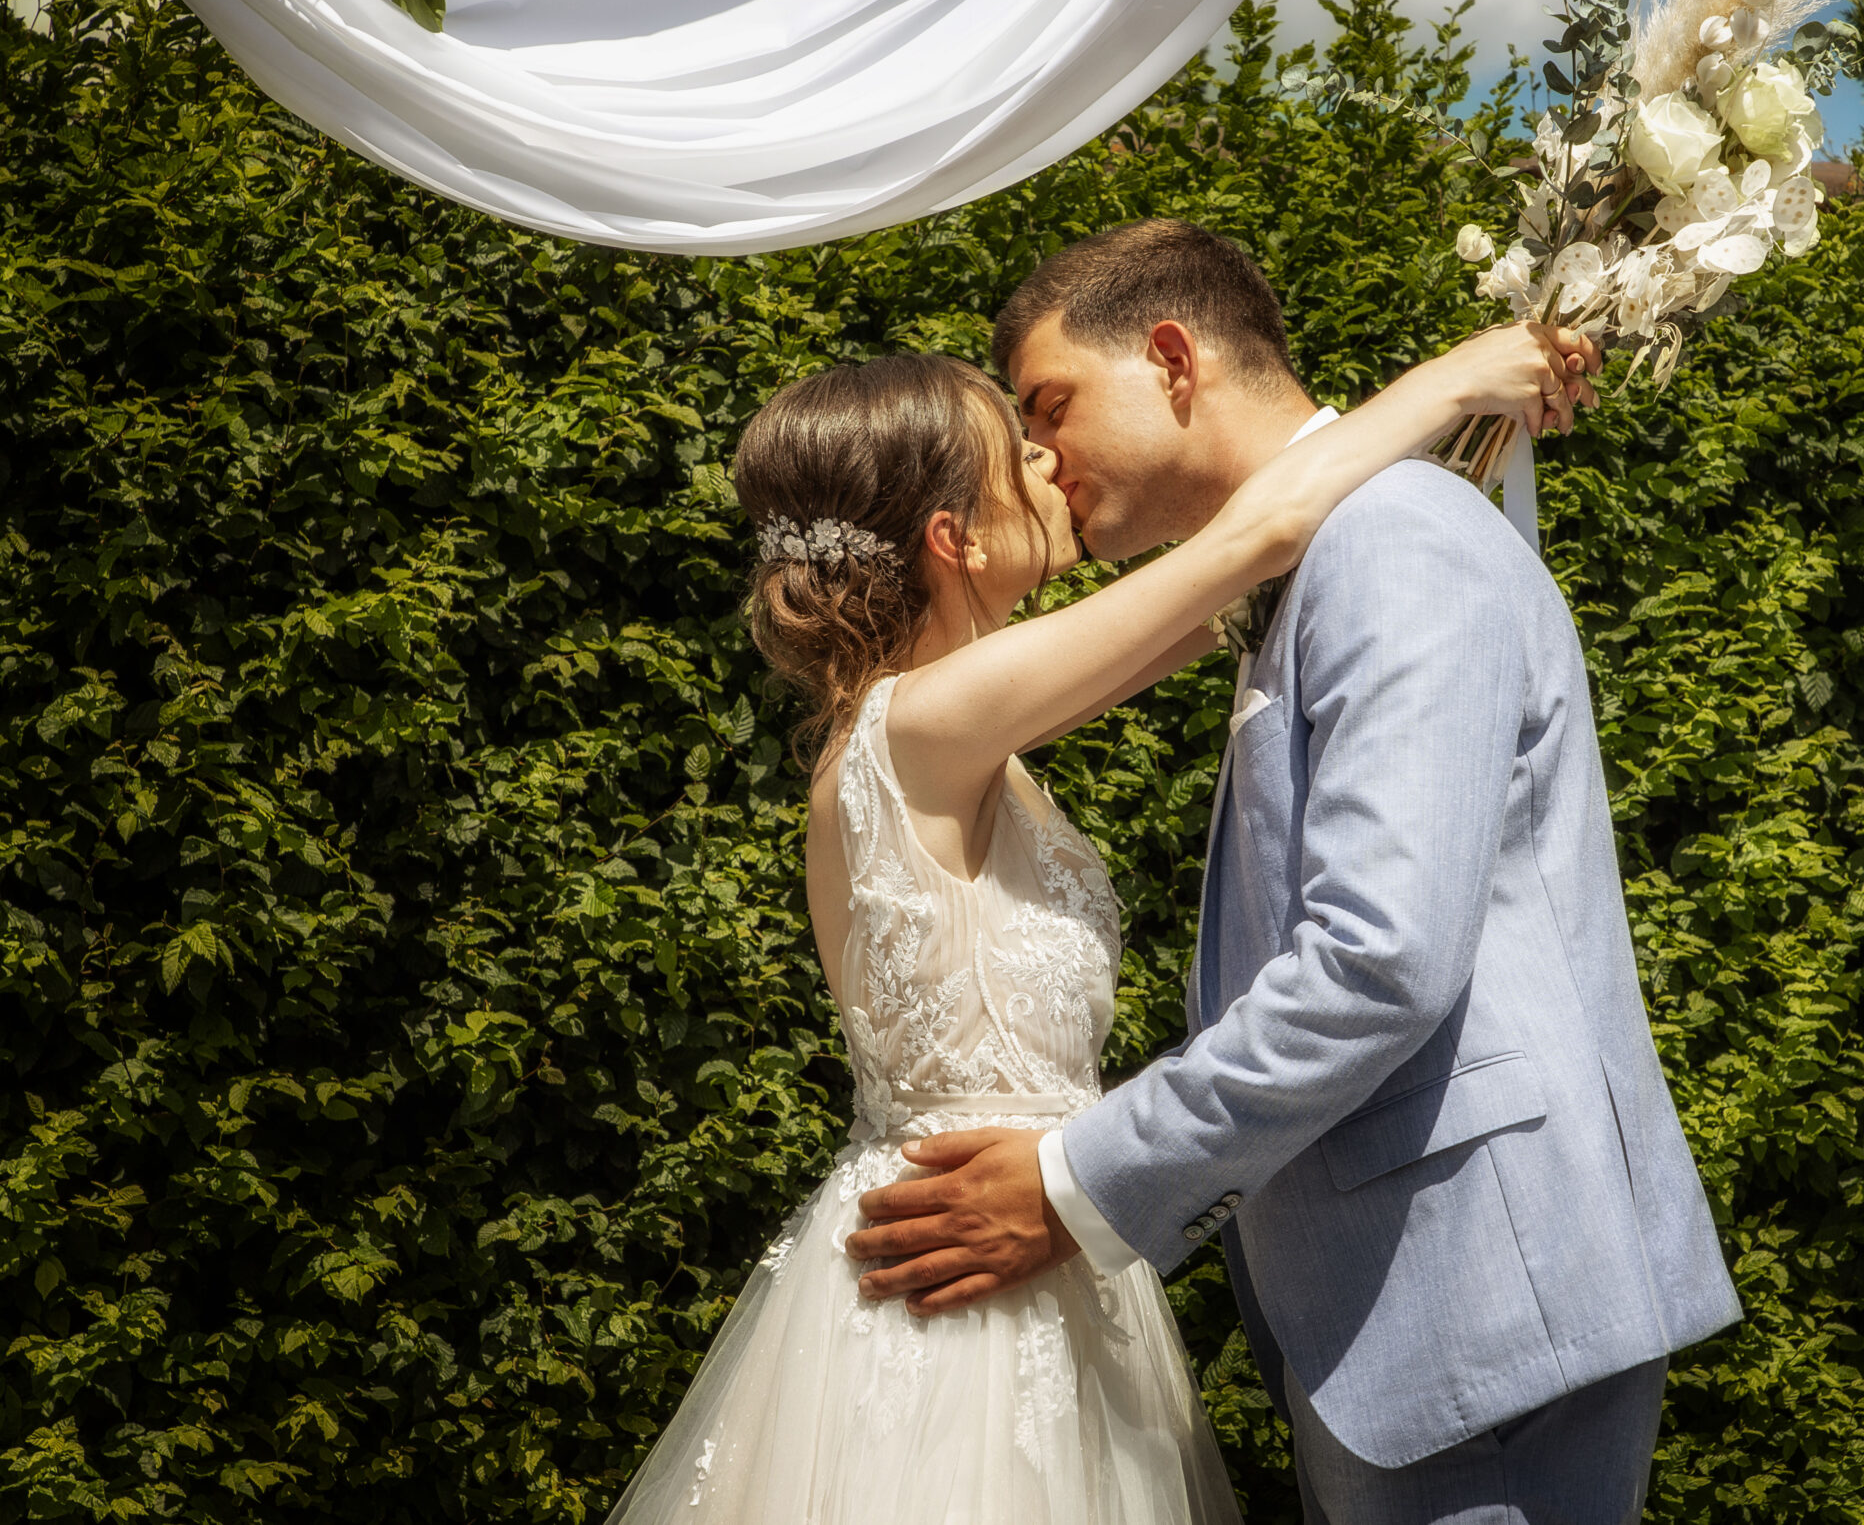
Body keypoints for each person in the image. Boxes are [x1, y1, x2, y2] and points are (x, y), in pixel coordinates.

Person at [601, 311, 1593, 1525]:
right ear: (952, 537)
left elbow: (1241, 582)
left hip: (1033, 1244)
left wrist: (1472, 450)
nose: (1046, 461)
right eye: (1014, 452)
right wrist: (1462, 372)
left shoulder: (957, 727)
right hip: (976, 1266)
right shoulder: (927, 721)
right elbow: (1263, 532)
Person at [849, 219, 1743, 1525]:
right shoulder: (1323, 552)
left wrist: (1078, 1177)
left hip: (1482, 1301)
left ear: (1171, 357)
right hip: (1425, 1303)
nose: (1038, 457)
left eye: (1050, 404)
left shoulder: (1395, 540)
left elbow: (1378, 959)